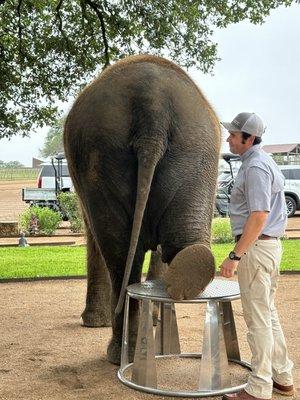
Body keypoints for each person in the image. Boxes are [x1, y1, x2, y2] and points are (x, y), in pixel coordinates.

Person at [219, 112, 294, 400]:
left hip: (255, 248)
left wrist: (235, 256)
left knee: (258, 319)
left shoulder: (255, 168)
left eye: (234, 135)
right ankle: (282, 377)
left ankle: (259, 387)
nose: (229, 138)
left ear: (249, 139)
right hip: (265, 247)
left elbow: (259, 215)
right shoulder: (261, 162)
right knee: (268, 314)